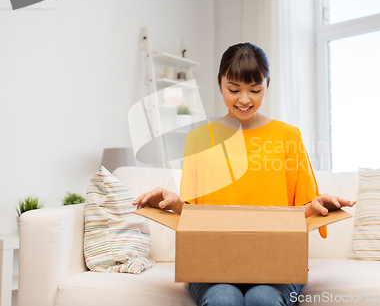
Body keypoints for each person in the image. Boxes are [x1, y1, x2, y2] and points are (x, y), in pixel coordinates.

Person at [133, 42, 356, 306]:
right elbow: (196, 216)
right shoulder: (198, 138)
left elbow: (302, 211)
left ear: (268, 84)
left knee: (262, 298)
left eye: (255, 89)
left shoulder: (288, 136)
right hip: (211, 261)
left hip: (276, 260)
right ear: (219, 82)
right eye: (233, 89)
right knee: (222, 299)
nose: (244, 99)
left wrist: (318, 205)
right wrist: (173, 203)